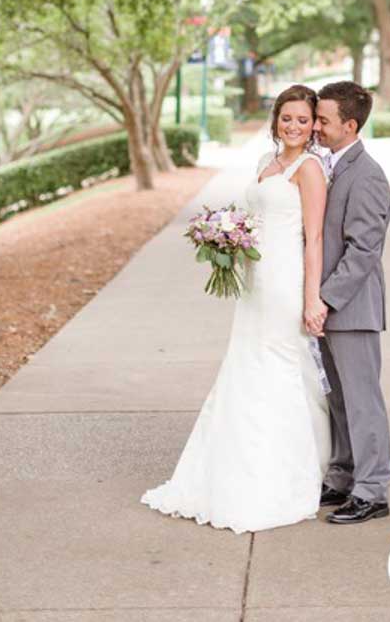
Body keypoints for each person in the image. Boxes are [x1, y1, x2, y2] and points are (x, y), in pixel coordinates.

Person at [141, 85, 332, 532]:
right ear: (276, 120)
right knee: (246, 363)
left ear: (312, 127)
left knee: (282, 366)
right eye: (287, 118)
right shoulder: (267, 164)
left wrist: (311, 296)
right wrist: (226, 237)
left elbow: (315, 237)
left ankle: (289, 470)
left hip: (285, 280)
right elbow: (255, 218)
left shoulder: (310, 170)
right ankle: (231, 464)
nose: (294, 126)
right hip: (254, 282)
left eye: (303, 120)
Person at [311, 80, 390, 525]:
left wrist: (325, 299)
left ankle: (373, 490)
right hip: (327, 307)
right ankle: (343, 475)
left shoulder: (367, 175)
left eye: (323, 120)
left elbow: (364, 249)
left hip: (352, 307)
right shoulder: (331, 165)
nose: (316, 127)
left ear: (349, 124)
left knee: (363, 401)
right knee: (339, 400)